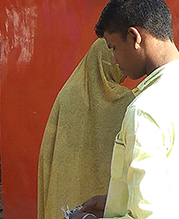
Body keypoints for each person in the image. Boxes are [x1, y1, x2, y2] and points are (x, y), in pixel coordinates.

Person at [70, 0, 179, 219]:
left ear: (135, 37)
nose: (114, 59)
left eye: (113, 48)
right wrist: (115, 201)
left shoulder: (145, 110)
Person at [37, 38, 134, 219]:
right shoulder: (127, 102)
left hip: (66, 186)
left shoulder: (66, 95)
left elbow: (48, 150)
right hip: (107, 197)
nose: (117, 62)